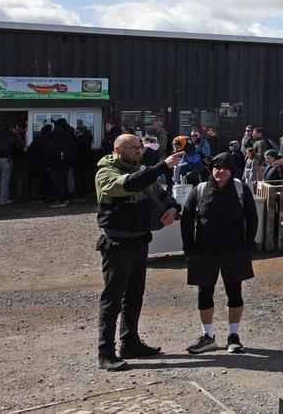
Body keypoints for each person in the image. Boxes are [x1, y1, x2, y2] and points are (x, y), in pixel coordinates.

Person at [94, 135, 183, 371]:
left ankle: (130, 343)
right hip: (117, 243)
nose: (137, 150)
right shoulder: (105, 173)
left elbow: (161, 193)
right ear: (117, 150)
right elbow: (130, 185)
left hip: (139, 239)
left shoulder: (142, 170)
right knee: (112, 299)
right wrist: (162, 166)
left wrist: (173, 207)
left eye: (139, 147)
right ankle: (105, 353)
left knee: (134, 296)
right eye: (132, 147)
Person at [181, 153, 258, 354]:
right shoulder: (200, 190)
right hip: (204, 252)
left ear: (232, 170)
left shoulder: (241, 189)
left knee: (235, 293)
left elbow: (252, 217)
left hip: (234, 250)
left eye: (225, 168)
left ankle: (233, 336)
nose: (220, 171)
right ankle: (208, 337)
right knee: (204, 294)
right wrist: (189, 249)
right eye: (216, 167)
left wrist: (248, 246)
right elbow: (186, 219)